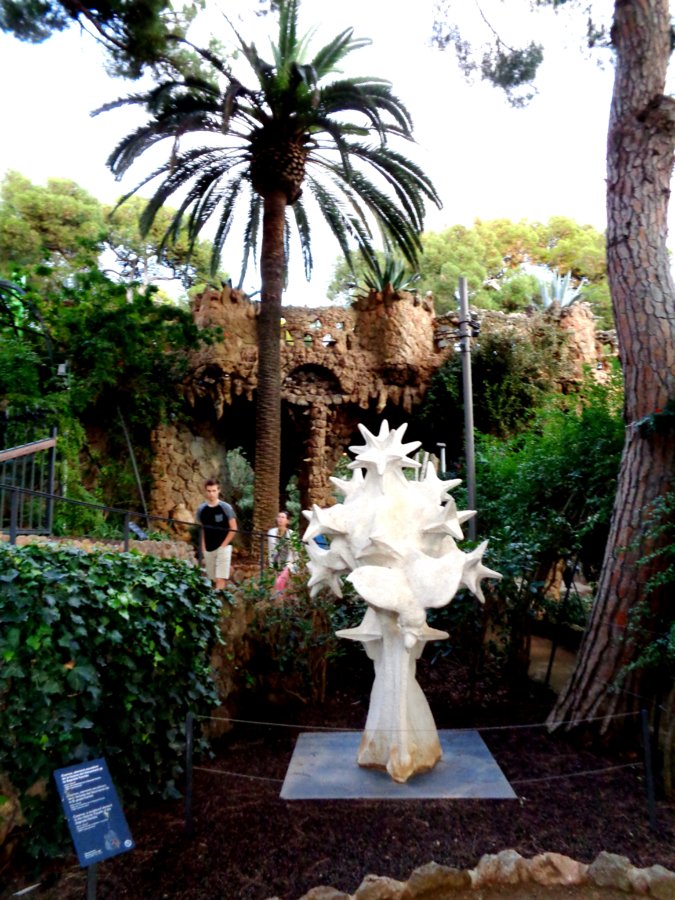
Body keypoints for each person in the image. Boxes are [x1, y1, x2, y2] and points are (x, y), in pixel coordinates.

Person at [196, 479, 237, 590]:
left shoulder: (226, 508)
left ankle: (219, 598)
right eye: (209, 491)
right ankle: (216, 598)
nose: (211, 494)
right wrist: (203, 547)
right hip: (209, 548)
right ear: (205, 491)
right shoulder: (201, 509)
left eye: (214, 491)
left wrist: (223, 546)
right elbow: (202, 528)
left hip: (223, 547)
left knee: (220, 578)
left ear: (219, 490)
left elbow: (233, 528)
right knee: (213, 578)